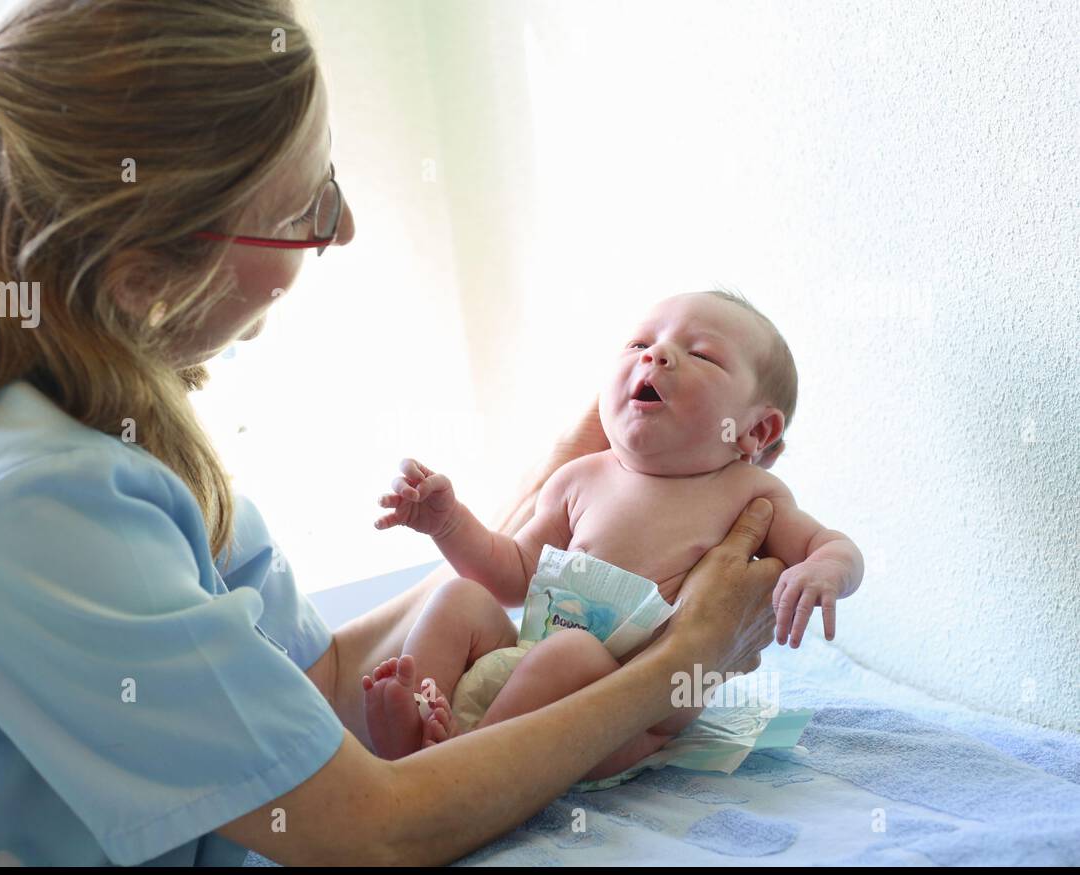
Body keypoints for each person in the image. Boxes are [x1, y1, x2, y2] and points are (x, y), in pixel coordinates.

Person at [0, 0, 781, 866]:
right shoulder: (17, 499)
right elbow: (368, 831)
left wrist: (548, 502)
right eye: (307, 208)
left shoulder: (92, 418)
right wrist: (677, 658)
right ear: (142, 273)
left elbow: (311, 686)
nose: (339, 233)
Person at [364, 291, 864, 783]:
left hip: (633, 714)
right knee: (460, 598)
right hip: (528, 659)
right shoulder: (579, 479)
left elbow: (833, 546)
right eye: (637, 344)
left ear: (756, 431)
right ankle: (413, 718)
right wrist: (448, 523)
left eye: (701, 354)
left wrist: (826, 570)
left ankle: (468, 768)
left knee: (573, 653)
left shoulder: (751, 494)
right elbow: (511, 575)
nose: (656, 354)